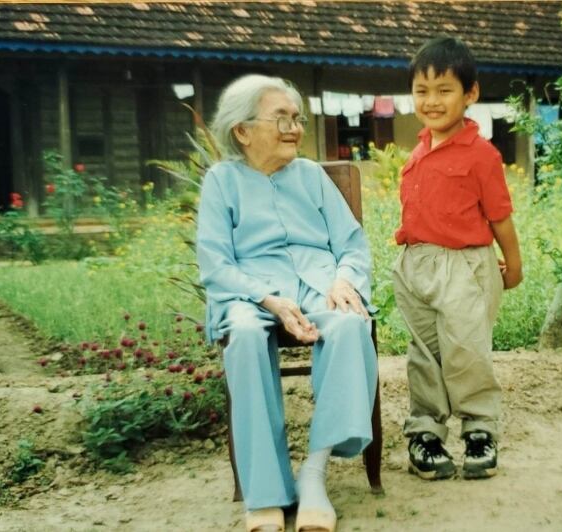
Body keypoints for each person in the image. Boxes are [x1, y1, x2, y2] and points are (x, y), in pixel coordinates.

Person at [197, 74, 377, 532]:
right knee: (244, 336)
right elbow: (215, 264)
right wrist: (268, 300)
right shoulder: (221, 182)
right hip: (250, 292)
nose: (294, 128)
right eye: (281, 119)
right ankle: (265, 494)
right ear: (242, 130)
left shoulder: (312, 176)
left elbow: (352, 245)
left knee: (352, 324)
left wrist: (343, 281)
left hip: (318, 285)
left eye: (297, 119)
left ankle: (314, 477)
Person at [392, 37, 523, 481]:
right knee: (425, 354)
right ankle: (425, 433)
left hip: (465, 267)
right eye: (422, 90)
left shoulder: (482, 155)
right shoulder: (417, 151)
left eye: (444, 89)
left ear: (471, 94)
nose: (431, 101)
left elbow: (500, 217)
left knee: (466, 353)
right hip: (416, 267)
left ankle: (480, 431)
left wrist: (514, 264)